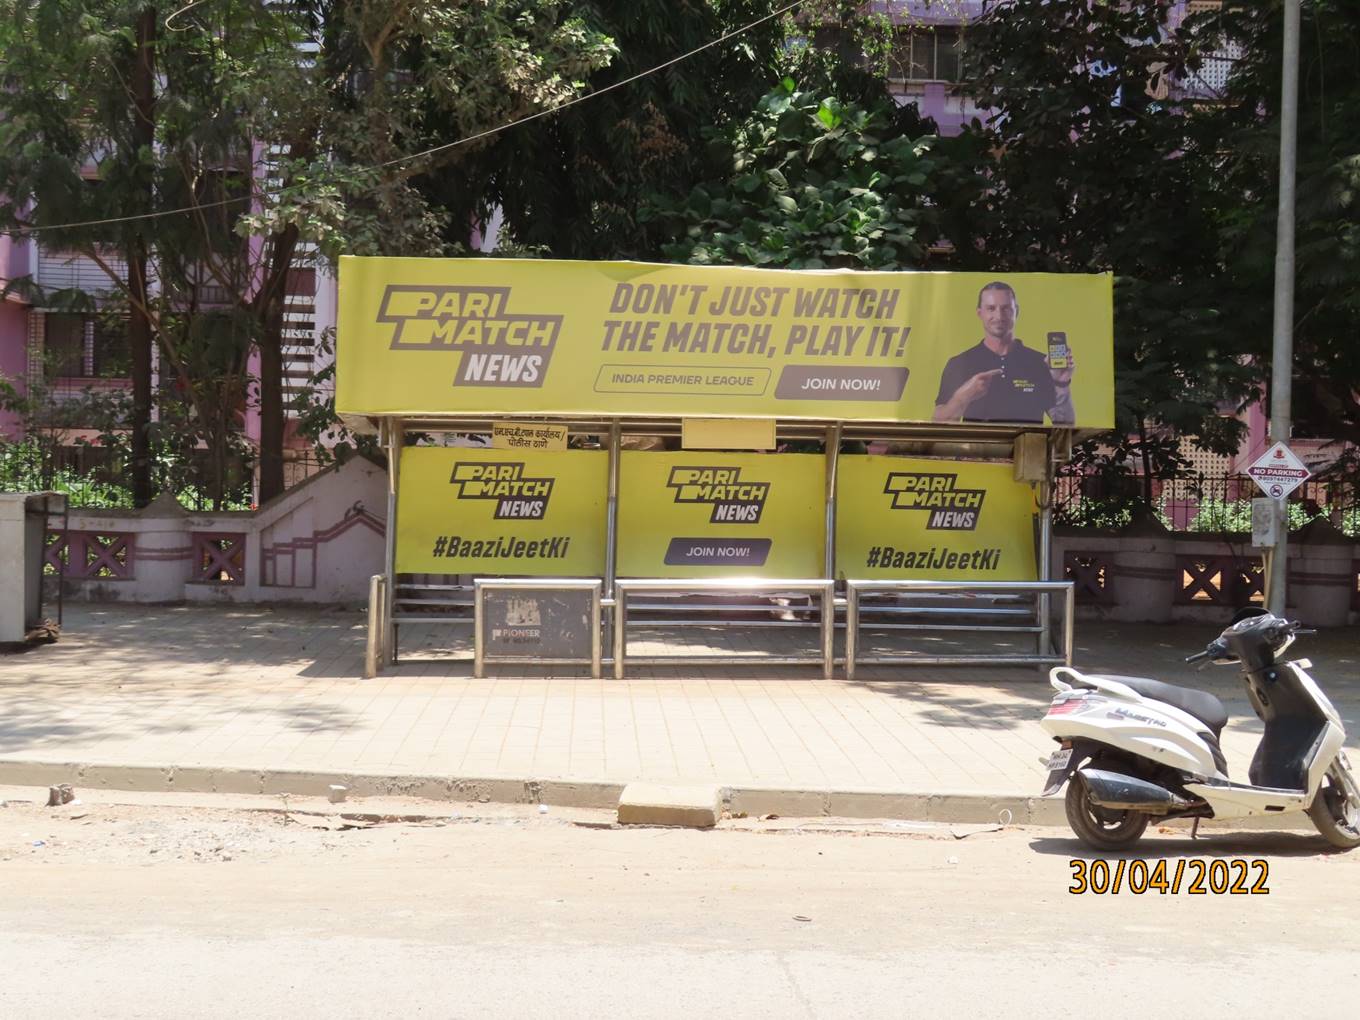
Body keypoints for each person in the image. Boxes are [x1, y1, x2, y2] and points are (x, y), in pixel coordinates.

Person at [932, 281, 1075, 424]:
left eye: (1006, 308)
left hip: (1028, 445)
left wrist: (1061, 383)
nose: (999, 316)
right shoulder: (959, 363)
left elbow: (1065, 426)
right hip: (976, 446)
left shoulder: (1040, 362)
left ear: (1016, 311)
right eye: (991, 308)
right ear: (979, 313)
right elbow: (938, 424)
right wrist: (963, 397)